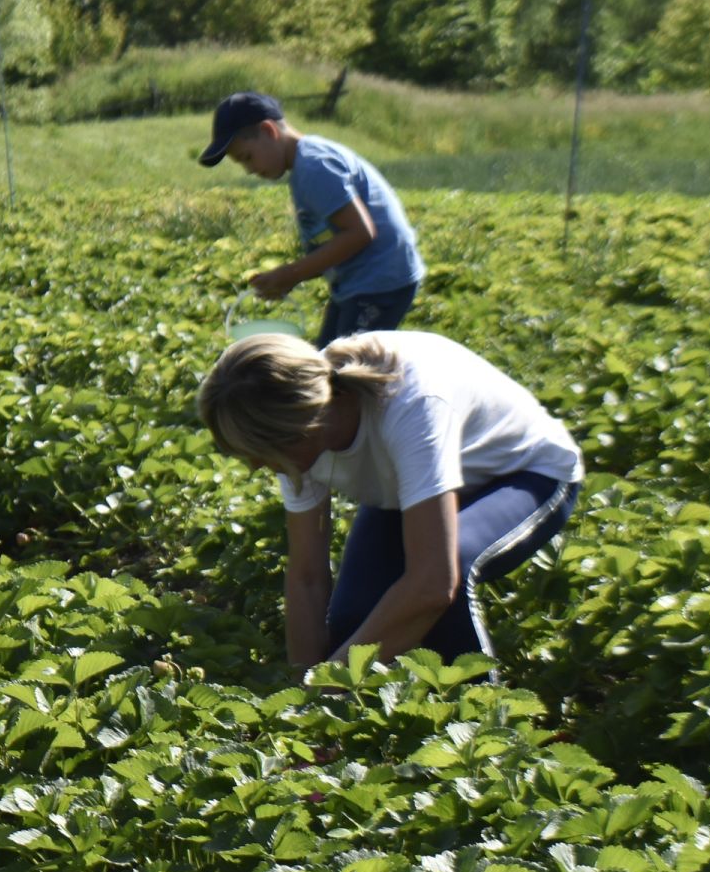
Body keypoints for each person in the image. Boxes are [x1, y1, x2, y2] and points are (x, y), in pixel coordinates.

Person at [197, 331, 581, 672]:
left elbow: (434, 583)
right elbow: (308, 575)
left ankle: (478, 725)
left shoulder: (409, 405)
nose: (255, 465)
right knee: (355, 622)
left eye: (258, 453)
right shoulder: (296, 434)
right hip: (408, 491)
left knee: (444, 580)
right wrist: (304, 686)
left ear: (303, 428)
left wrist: (332, 685)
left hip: (523, 474)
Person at [198, 91, 425, 348]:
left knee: (348, 373)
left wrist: (292, 273)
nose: (249, 170)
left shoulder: (314, 167)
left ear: (269, 131)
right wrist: (287, 276)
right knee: (327, 358)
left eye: (247, 157)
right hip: (357, 282)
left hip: (379, 281)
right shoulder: (305, 162)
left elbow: (360, 233)